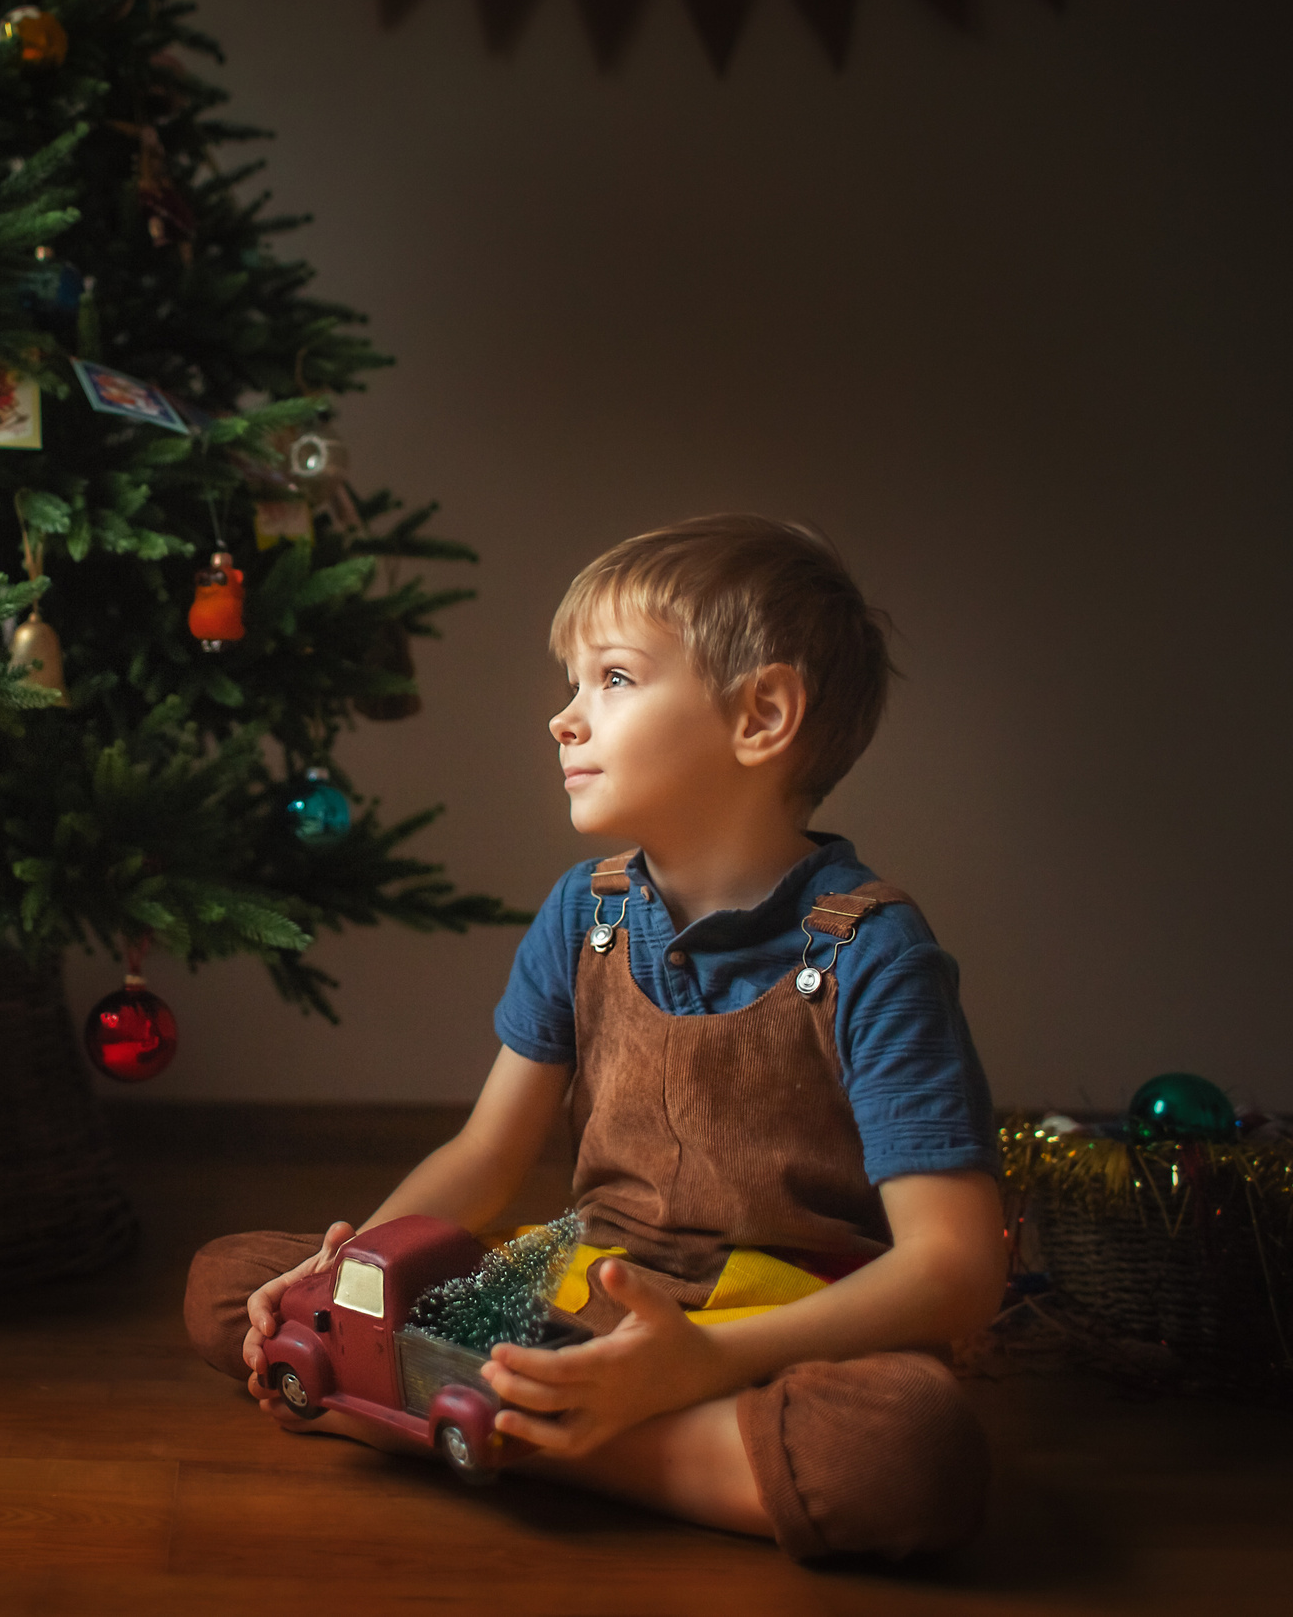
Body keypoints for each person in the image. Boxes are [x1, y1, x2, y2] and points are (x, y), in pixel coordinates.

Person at [184, 515, 1005, 1563]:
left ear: (761, 715)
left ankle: (459, 1420)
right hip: (586, 1294)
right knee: (232, 1286)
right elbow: (484, 1157)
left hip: (770, 1339)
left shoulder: (874, 954)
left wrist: (698, 1362)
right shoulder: (586, 912)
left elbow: (953, 1271)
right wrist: (335, 1280)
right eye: (572, 687)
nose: (563, 721)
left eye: (612, 680)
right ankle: (570, 1428)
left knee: (902, 1456)